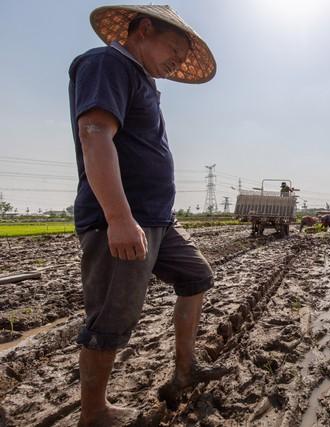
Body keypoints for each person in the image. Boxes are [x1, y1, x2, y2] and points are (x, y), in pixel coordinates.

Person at [69, 5, 218, 425]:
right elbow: (95, 133)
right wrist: (118, 218)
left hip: (158, 219)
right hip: (123, 218)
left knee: (196, 276)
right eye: (173, 49)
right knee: (112, 318)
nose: (176, 61)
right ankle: (94, 413)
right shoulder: (106, 64)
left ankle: (185, 369)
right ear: (144, 29)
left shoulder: (143, 81)